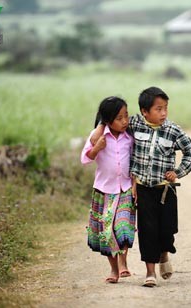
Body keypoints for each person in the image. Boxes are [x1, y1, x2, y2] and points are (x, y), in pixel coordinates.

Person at [91, 86, 191, 287]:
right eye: (158, 109)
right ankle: (150, 273)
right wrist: (99, 128)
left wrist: (179, 171)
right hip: (143, 189)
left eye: (165, 108)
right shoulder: (135, 124)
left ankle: (164, 254)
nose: (163, 113)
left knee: (167, 230)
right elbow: (112, 121)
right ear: (144, 112)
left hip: (166, 190)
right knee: (148, 230)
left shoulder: (173, 130)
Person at [81, 96, 136, 284]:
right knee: (106, 231)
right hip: (104, 189)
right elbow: (85, 158)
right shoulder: (99, 136)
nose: (124, 121)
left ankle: (123, 263)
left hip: (126, 188)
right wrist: (97, 148)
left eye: (126, 116)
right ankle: (113, 269)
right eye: (119, 118)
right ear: (107, 120)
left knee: (122, 227)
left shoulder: (130, 136)